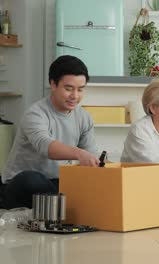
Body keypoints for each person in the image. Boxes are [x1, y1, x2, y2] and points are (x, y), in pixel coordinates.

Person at [2, 55, 99, 209]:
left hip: (57, 183)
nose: (75, 96)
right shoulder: (35, 114)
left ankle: (62, 204)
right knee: (31, 180)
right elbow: (46, 147)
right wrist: (79, 154)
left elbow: (92, 158)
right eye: (68, 89)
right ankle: (64, 205)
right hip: (21, 185)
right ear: (53, 84)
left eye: (80, 89)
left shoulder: (84, 117)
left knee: (89, 182)